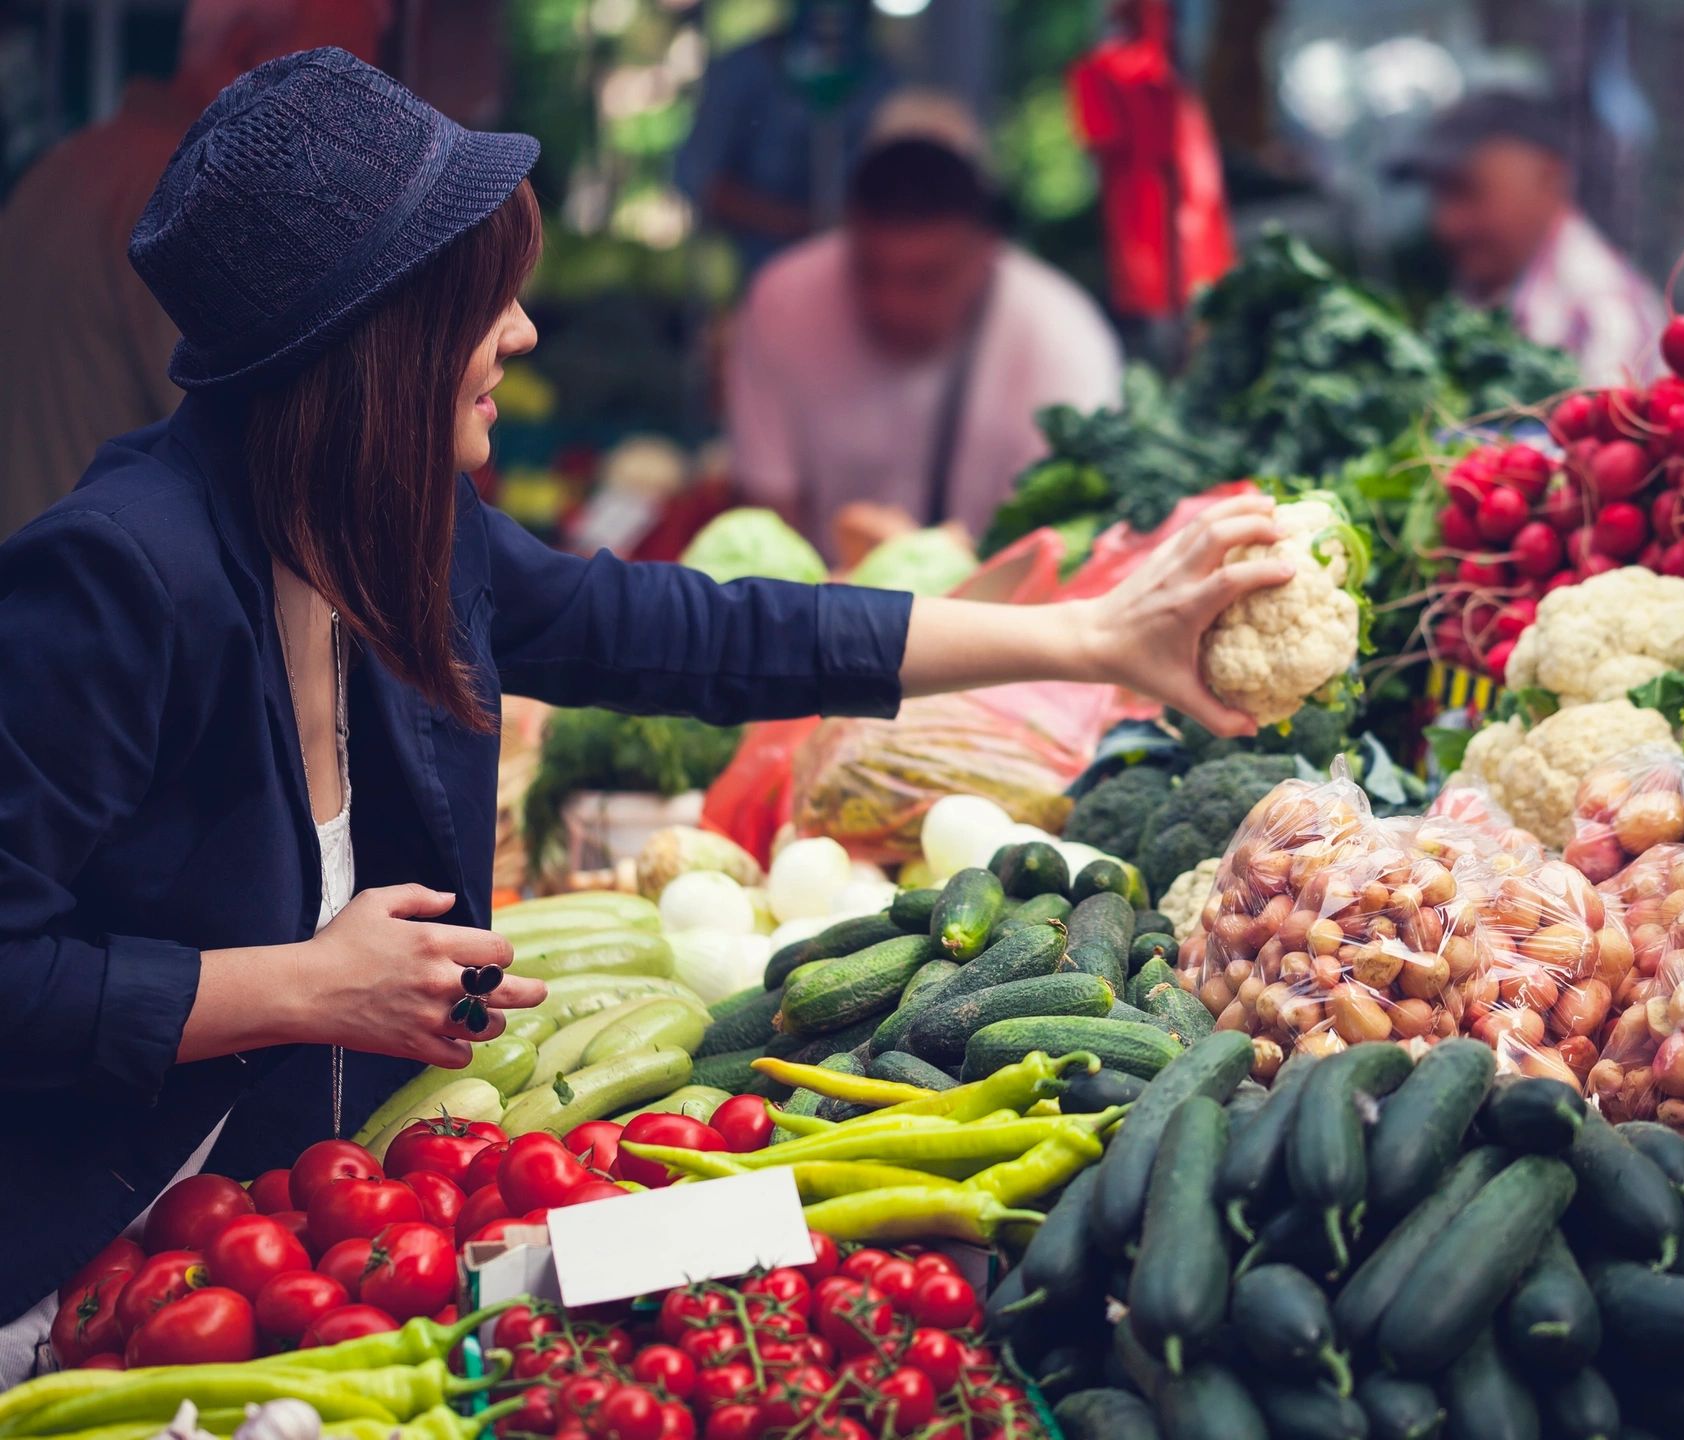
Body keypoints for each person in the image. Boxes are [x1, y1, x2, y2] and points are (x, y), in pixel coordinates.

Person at [0, 48, 1292, 1375]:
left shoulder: (400, 534)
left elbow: (715, 636)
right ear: (376, 344)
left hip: (287, 1260)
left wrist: (1095, 636)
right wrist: (298, 990)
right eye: (483, 302)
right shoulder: (114, 581)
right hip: (78, 1285)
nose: (523, 333)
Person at [0, 0, 386, 541]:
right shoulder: (199, 201)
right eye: (351, 73)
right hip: (118, 599)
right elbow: (264, 467)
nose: (371, 117)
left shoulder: (63, 167)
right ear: (244, 50)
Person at [726, 96, 1123, 555]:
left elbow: (1068, 552)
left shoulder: (1063, 338)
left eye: (927, 279)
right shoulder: (783, 302)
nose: (893, 303)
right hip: (818, 615)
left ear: (987, 253)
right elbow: (768, 525)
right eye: (870, 272)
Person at [1389, 91, 1665, 387]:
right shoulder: (1484, 293)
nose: (1445, 224)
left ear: (1550, 177)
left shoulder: (1605, 320)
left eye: (1466, 190)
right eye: (1437, 196)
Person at [674, 0, 896, 277]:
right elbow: (699, 179)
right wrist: (802, 225)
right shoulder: (743, 72)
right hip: (762, 273)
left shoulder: (886, 81)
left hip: (859, 280)